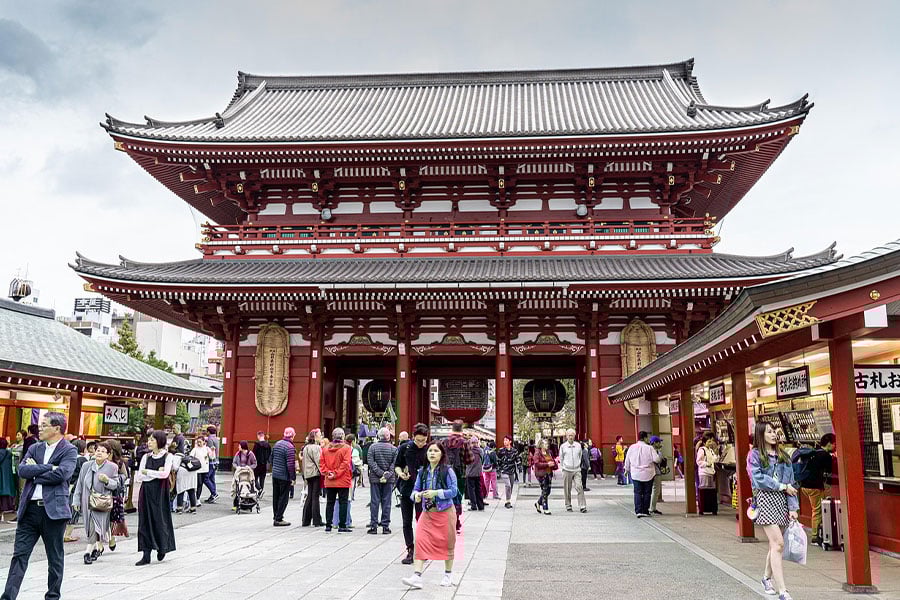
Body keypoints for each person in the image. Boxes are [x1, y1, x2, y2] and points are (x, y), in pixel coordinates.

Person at [2, 412, 76, 600]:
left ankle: (52, 596)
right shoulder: (34, 448)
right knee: (20, 555)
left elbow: (63, 475)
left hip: (53, 512)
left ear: (56, 428)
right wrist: (49, 467)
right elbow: (23, 470)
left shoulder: (69, 450)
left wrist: (37, 471)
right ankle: (8, 596)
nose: (39, 428)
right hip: (29, 510)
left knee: (55, 558)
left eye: (44, 425)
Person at [749, 422, 799, 600]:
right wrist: (781, 486)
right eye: (769, 432)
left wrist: (793, 507)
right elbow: (758, 479)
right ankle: (783, 590)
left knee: (774, 545)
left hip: (782, 501)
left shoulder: (783, 455)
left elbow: (791, 483)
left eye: (774, 431)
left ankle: (765, 578)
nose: (773, 434)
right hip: (765, 500)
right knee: (778, 544)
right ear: (761, 435)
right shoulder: (755, 455)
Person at [401, 442, 459, 590]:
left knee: (448, 543)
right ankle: (417, 576)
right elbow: (415, 490)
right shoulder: (423, 472)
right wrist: (417, 496)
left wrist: (436, 493)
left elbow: (454, 491)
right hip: (428, 513)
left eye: (436, 451)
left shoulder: (448, 471)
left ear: (441, 454)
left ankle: (448, 575)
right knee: (420, 540)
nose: (432, 453)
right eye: (430, 451)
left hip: (445, 512)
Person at [72, 441, 119, 565]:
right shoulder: (86, 466)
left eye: (103, 451)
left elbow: (115, 485)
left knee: (96, 525)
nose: (99, 453)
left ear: (108, 454)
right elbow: (80, 484)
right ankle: (98, 548)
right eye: (98, 450)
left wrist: (107, 480)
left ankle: (87, 551)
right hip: (87, 500)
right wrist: (76, 500)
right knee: (90, 525)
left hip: (102, 502)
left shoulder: (112, 467)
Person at [134, 431, 176, 566]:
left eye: (152, 440)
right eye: (149, 440)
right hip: (146, 491)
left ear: (160, 441)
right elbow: (140, 475)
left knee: (160, 519)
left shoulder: (168, 456)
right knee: (144, 520)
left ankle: (162, 547)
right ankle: (146, 553)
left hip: (160, 492)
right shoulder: (146, 457)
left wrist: (149, 472)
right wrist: (155, 473)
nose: (149, 442)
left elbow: (165, 474)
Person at [395, 423, 429, 564]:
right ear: (413, 437)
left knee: (422, 521)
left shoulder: (430, 449)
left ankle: (422, 549)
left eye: (423, 440)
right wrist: (401, 474)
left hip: (423, 491)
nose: (421, 443)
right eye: (418, 440)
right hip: (407, 488)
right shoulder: (405, 448)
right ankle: (410, 549)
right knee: (406, 521)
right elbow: (397, 465)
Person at [792, 433, 834, 545]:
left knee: (816, 508)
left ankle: (821, 532)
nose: (835, 446)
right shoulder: (826, 456)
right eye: (834, 444)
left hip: (804, 485)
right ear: (829, 444)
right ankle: (815, 537)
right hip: (814, 487)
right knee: (817, 510)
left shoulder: (813, 452)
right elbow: (830, 470)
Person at [441, 420, 473, 534]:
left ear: (452, 429)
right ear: (461, 429)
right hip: (460, 474)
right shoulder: (465, 442)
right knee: (457, 498)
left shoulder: (444, 442)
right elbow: (470, 460)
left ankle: (447, 521)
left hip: (445, 474)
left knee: (446, 497)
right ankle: (456, 521)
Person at [320, 427, 352, 533]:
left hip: (329, 480)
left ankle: (328, 525)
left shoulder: (325, 449)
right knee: (343, 502)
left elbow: (321, 463)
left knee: (330, 502)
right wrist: (336, 473)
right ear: (342, 436)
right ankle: (342, 525)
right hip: (343, 480)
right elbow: (345, 463)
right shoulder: (346, 448)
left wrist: (328, 473)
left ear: (332, 436)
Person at [367, 427, 398, 535]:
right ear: (388, 436)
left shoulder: (372, 447)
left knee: (374, 502)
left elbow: (371, 462)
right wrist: (387, 474)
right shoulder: (394, 449)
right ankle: (385, 526)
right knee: (387, 502)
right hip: (389, 479)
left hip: (375, 479)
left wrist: (380, 473)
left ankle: (373, 526)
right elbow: (394, 464)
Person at [624, 431, 660, 518]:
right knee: (647, 493)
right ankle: (645, 510)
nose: (648, 439)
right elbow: (657, 459)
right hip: (648, 473)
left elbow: (627, 460)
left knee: (637, 492)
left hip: (636, 473)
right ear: (644, 438)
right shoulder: (650, 448)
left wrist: (626, 470)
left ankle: (638, 511)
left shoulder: (632, 447)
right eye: (647, 437)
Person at [63, 439, 89, 540]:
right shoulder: (82, 460)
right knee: (74, 511)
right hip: (75, 488)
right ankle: (67, 535)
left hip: (65, 486)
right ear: (83, 449)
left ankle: (62, 533)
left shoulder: (68, 459)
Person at [271, 427, 297, 527]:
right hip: (284, 476)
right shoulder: (290, 447)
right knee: (283, 497)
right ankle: (279, 518)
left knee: (276, 496)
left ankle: (275, 515)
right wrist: (293, 477)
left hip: (275, 474)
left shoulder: (277, 444)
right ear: (293, 435)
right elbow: (290, 464)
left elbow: (271, 458)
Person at [559, 429, 587, 513]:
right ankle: (568, 505)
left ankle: (582, 505)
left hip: (577, 469)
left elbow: (580, 455)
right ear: (566, 436)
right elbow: (561, 458)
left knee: (579, 486)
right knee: (567, 488)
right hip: (567, 469)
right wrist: (562, 468)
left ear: (574, 436)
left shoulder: (578, 445)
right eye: (569, 435)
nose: (570, 437)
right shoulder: (563, 446)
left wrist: (578, 465)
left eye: (572, 435)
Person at [301, 431, 323, 527]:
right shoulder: (316, 448)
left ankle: (306, 519)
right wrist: (323, 472)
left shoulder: (306, 448)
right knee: (315, 496)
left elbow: (304, 462)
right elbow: (319, 461)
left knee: (310, 495)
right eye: (320, 435)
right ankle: (316, 520)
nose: (321, 437)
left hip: (308, 473)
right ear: (315, 437)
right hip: (315, 473)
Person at [171, 442, 197, 514]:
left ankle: (179, 508)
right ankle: (193, 508)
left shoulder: (176, 456)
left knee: (181, 490)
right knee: (191, 490)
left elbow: (175, 468)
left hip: (182, 473)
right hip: (192, 473)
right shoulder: (187, 455)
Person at [532, 439, 557, 515]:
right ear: (541, 445)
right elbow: (537, 464)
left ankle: (538, 503)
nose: (547, 445)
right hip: (542, 474)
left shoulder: (549, 452)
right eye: (545, 444)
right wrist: (547, 464)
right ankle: (545, 508)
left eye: (547, 444)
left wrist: (554, 464)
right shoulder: (537, 453)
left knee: (548, 491)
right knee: (545, 490)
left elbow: (553, 461)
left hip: (549, 473)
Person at [696, 437, 719, 516]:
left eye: (711, 441)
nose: (710, 443)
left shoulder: (711, 450)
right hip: (704, 473)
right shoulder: (701, 450)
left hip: (711, 472)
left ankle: (712, 509)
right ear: (704, 442)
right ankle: (702, 509)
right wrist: (706, 464)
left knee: (712, 491)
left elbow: (714, 459)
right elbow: (698, 461)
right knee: (704, 490)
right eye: (709, 441)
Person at [496, 435, 519, 509]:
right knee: (508, 485)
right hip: (504, 471)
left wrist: (519, 467)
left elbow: (517, 460)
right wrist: (498, 470)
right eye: (504, 440)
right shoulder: (501, 450)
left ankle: (507, 500)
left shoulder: (514, 451)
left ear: (510, 441)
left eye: (506, 440)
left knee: (511, 487)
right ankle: (508, 502)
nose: (504, 441)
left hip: (511, 471)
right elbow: (497, 460)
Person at [649, 436, 669, 515]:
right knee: (656, 490)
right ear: (654, 443)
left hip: (650, 472)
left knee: (652, 490)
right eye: (658, 442)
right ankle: (652, 508)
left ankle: (651, 507)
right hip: (655, 472)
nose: (660, 444)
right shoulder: (654, 451)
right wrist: (660, 453)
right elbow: (658, 460)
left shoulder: (650, 450)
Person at [190, 436, 210, 506]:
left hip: (205, 469)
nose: (199, 443)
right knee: (198, 483)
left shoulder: (207, 449)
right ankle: (196, 498)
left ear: (204, 442)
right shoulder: (195, 449)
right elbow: (190, 457)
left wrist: (212, 451)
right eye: (197, 442)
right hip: (197, 469)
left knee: (201, 484)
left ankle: (197, 498)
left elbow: (212, 457)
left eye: (200, 442)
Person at [0, 439, 17, 522]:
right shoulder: (9, 453)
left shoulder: (0, 453)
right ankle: (2, 515)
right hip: (6, 479)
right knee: (3, 499)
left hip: (1, 477)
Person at [201, 425, 219, 503]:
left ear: (208, 432)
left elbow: (209, 451)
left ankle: (214, 493)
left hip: (211, 461)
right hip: (216, 461)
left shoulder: (210, 440)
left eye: (206, 431)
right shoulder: (216, 439)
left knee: (206, 478)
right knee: (212, 478)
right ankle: (213, 495)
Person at [252, 431, 272, 497]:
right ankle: (260, 493)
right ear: (263, 436)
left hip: (257, 464)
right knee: (262, 479)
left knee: (254, 478)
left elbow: (253, 455)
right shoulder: (268, 445)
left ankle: (259, 489)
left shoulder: (256, 445)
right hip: (265, 464)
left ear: (258, 436)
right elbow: (270, 454)